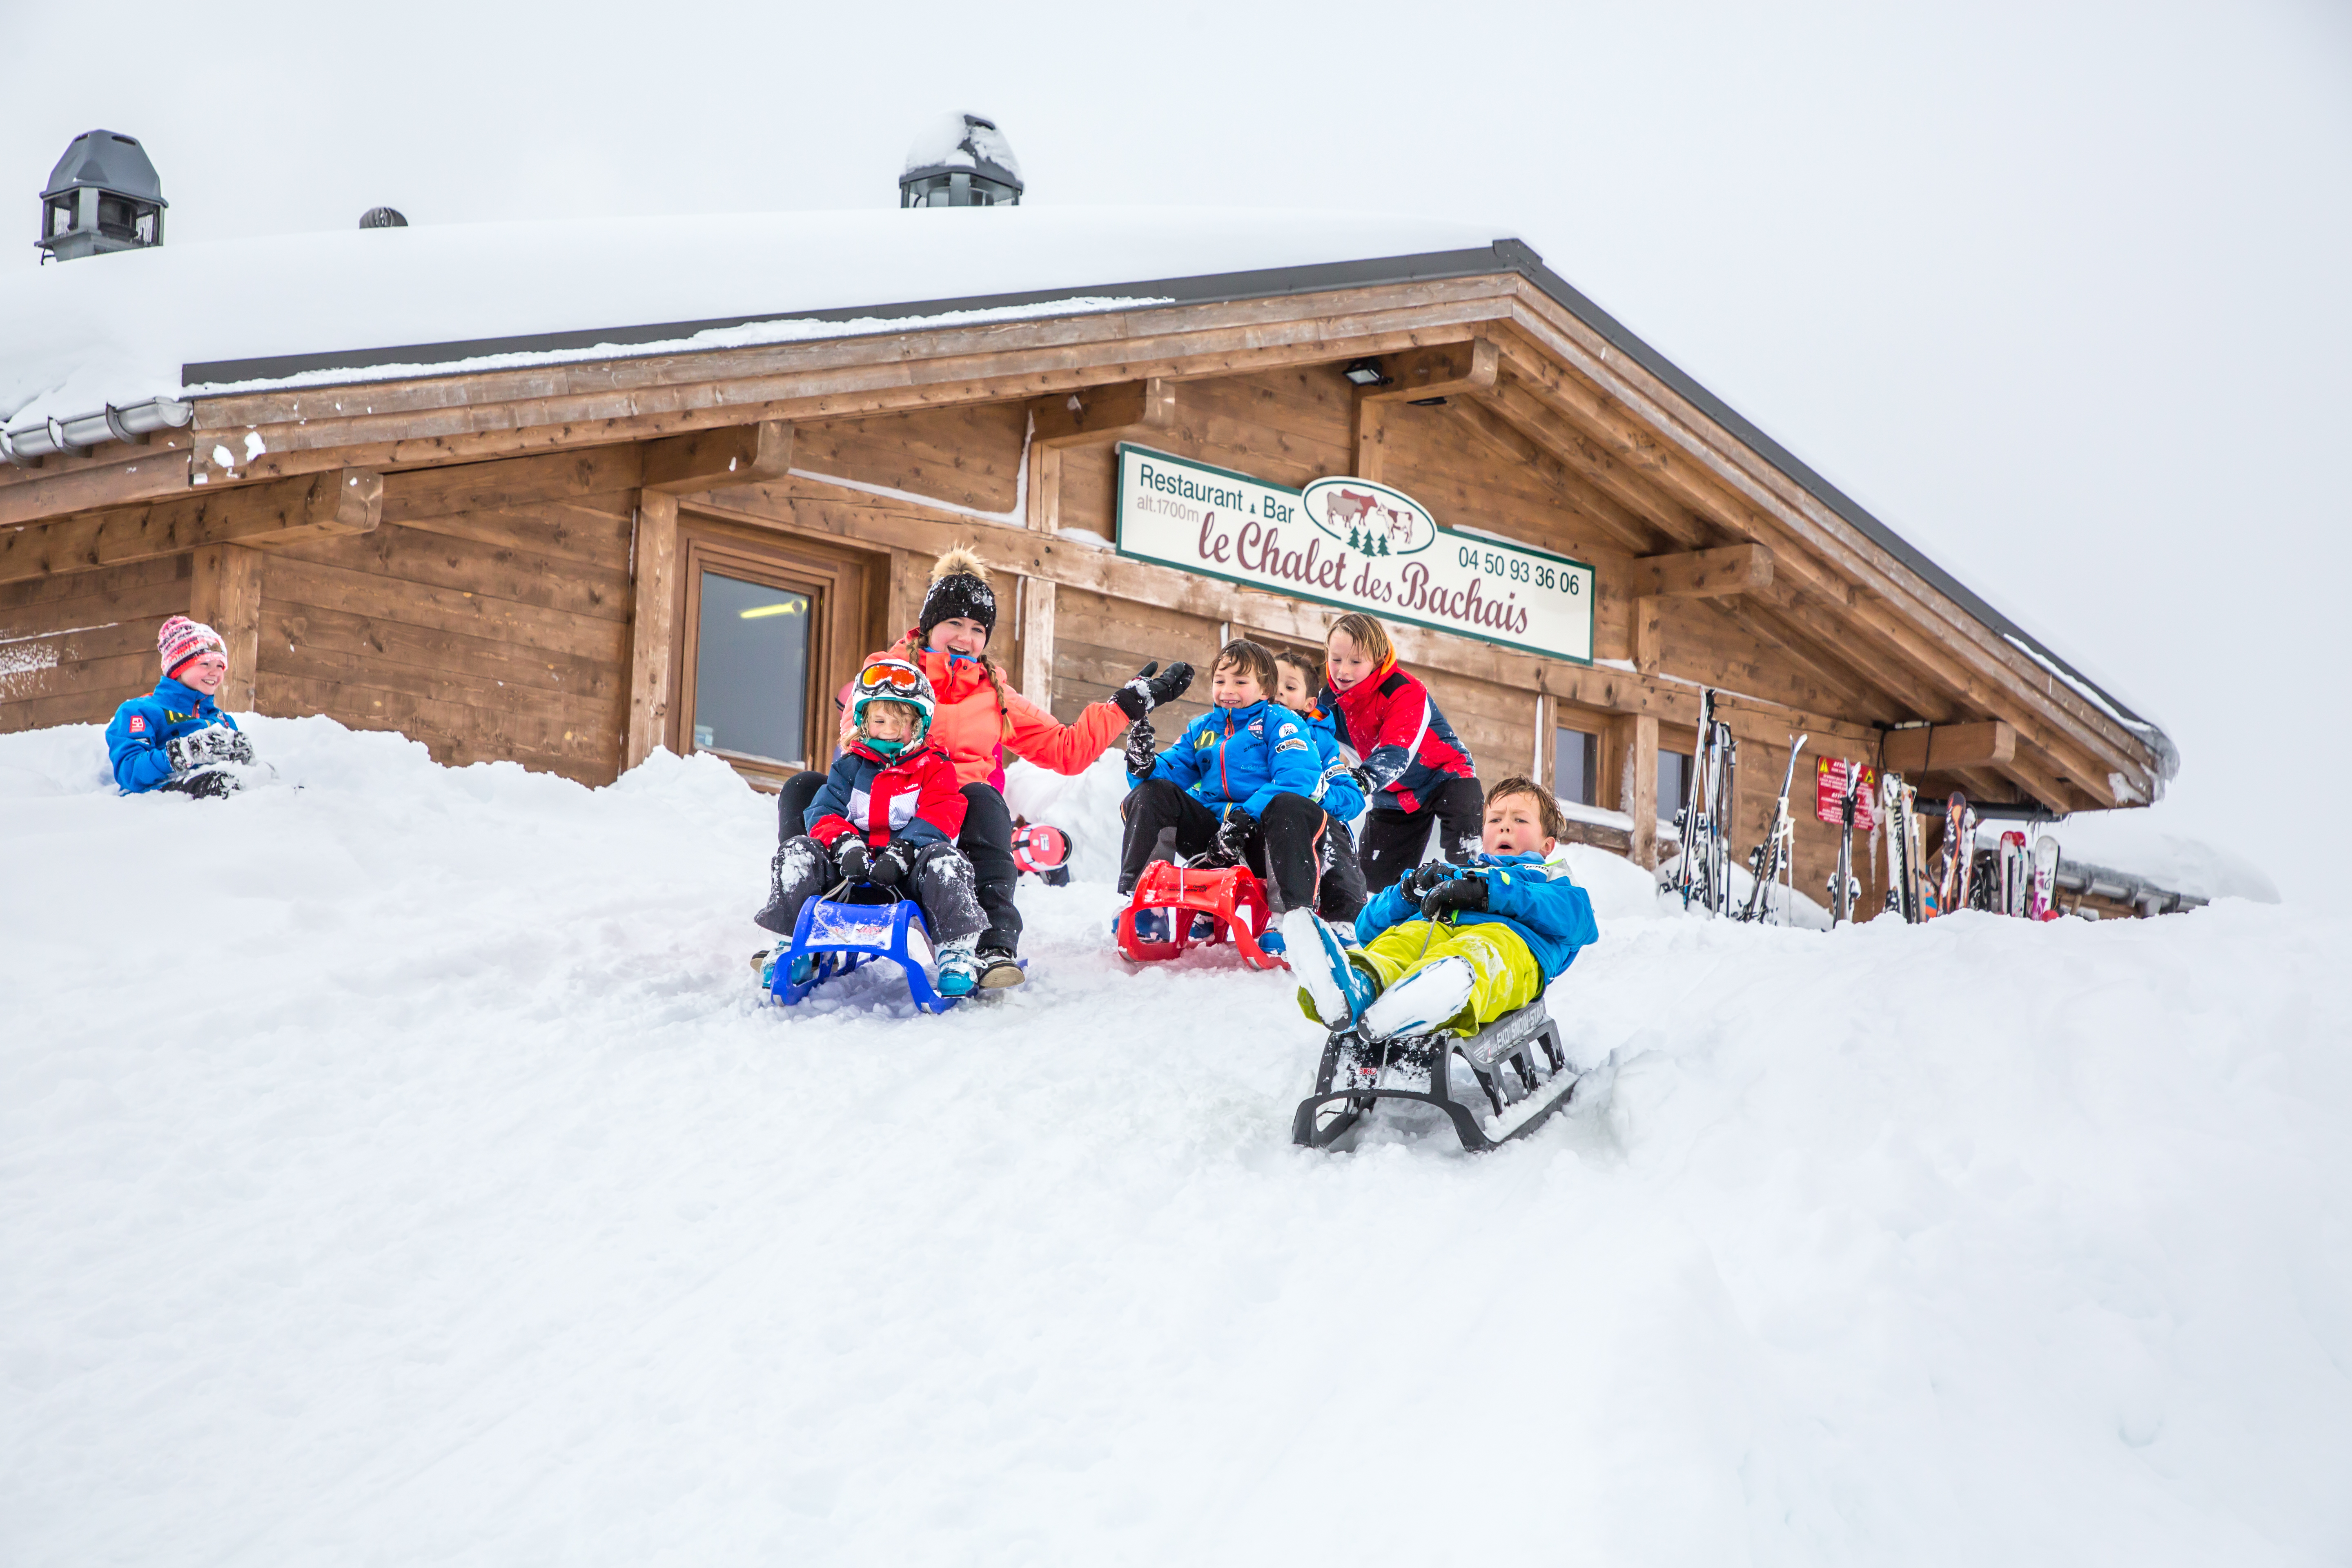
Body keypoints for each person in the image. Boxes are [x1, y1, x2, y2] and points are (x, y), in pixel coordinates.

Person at [770, 548, 1193, 988]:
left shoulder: (995, 695)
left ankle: (993, 944)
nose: (965, 637)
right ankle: (798, 924)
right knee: (805, 788)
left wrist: (1125, 706)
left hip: (947, 823)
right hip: (873, 810)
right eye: (954, 623)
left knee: (983, 797)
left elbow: (1067, 750)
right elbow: (856, 742)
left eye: (977, 629)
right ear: (929, 626)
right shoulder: (887, 677)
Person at [1290, 776, 1598, 1043]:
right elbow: (1368, 930)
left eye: (1520, 820)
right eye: (1495, 820)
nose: (1505, 827)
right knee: (1400, 942)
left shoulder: (1549, 877)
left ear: (1547, 845)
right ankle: (1355, 987)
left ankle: (1435, 993)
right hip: (1434, 931)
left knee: (1481, 951)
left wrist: (1491, 892)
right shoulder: (1457, 872)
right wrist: (1406, 894)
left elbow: (1579, 922)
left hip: (1511, 944)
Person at [751, 659, 992, 996]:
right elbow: (823, 810)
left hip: (909, 877)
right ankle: (791, 948)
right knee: (798, 852)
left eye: (900, 723)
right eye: (880, 721)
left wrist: (906, 850)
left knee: (946, 862)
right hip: (850, 872)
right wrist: (845, 845)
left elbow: (943, 813)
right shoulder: (850, 766)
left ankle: (957, 953)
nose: (889, 731)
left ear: (919, 725)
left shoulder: (934, 768)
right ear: (865, 723)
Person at [1118, 638, 1324, 952]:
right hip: (1214, 844)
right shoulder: (1202, 729)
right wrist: (1142, 763)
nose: (1228, 690)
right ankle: (1145, 905)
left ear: (1266, 690)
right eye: (1220, 681)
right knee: (1153, 793)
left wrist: (1245, 817)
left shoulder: (1282, 723)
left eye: (1241, 682)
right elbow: (1168, 776)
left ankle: (1288, 921)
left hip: (1263, 842)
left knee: (1288, 805)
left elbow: (1297, 777)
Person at [1318, 611, 1483, 895]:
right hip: (1394, 795)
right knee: (1373, 885)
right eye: (1336, 659)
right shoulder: (1329, 702)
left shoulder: (1404, 691)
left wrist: (1361, 781)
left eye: (1356, 662)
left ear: (1378, 661)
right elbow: (1314, 744)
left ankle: (1480, 899)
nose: (1343, 671)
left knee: (1468, 852)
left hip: (1446, 776)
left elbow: (1397, 750)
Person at [106, 615, 256, 798]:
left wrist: (245, 759)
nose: (215, 672)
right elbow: (129, 771)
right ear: (179, 668)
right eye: (205, 663)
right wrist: (182, 753)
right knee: (221, 783)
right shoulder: (139, 712)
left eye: (220, 666)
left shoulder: (221, 720)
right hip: (165, 803)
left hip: (221, 800)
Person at [1270, 648, 1368, 925]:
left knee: (1330, 833)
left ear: (1309, 703)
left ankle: (1344, 921)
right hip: (1256, 829)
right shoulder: (1244, 731)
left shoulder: (1321, 744)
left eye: (1290, 687)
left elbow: (1352, 798)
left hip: (1307, 833)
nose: (1279, 693)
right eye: (1272, 684)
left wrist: (1319, 791)